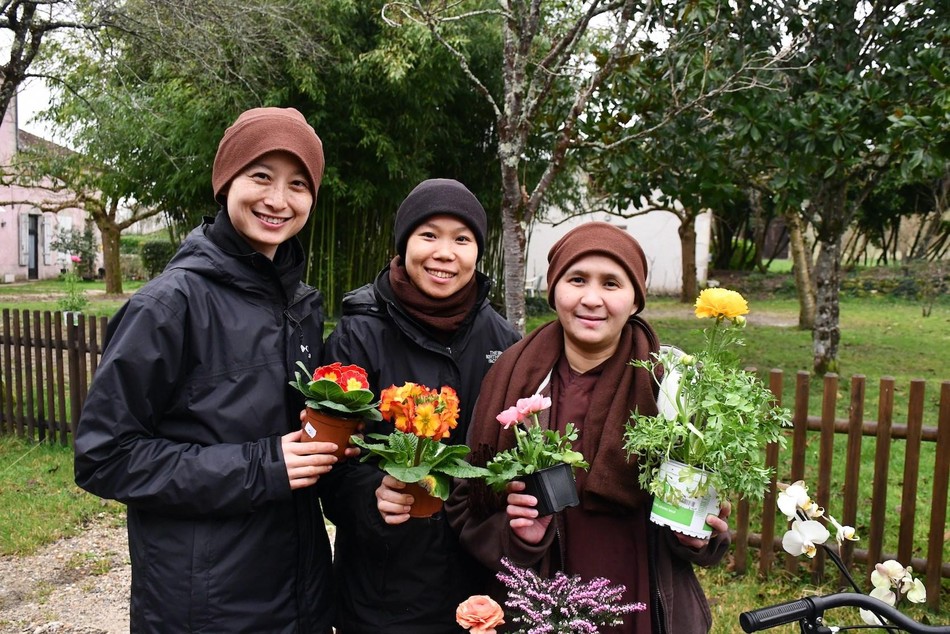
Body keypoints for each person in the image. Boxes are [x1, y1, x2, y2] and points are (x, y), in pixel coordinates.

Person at [73, 107, 340, 632]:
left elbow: (292, 437)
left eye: (298, 184)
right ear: (226, 182)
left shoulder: (302, 305)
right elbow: (105, 456)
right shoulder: (169, 306)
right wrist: (263, 466)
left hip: (298, 592)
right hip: (205, 603)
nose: (278, 200)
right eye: (261, 176)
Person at [446, 221, 731, 633]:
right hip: (540, 606)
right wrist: (519, 537)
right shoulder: (510, 377)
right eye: (577, 279)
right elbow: (465, 504)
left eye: (611, 283)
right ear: (554, 290)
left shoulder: (671, 383)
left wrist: (698, 535)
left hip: (641, 603)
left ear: (635, 299)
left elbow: (705, 503)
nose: (591, 298)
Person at [320, 178, 521, 634]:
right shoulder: (359, 334)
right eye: (429, 235)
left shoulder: (503, 342)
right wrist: (371, 495)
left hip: (478, 584)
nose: (444, 253)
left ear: (478, 251)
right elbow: (330, 461)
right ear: (404, 243)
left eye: (462, 239)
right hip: (382, 592)